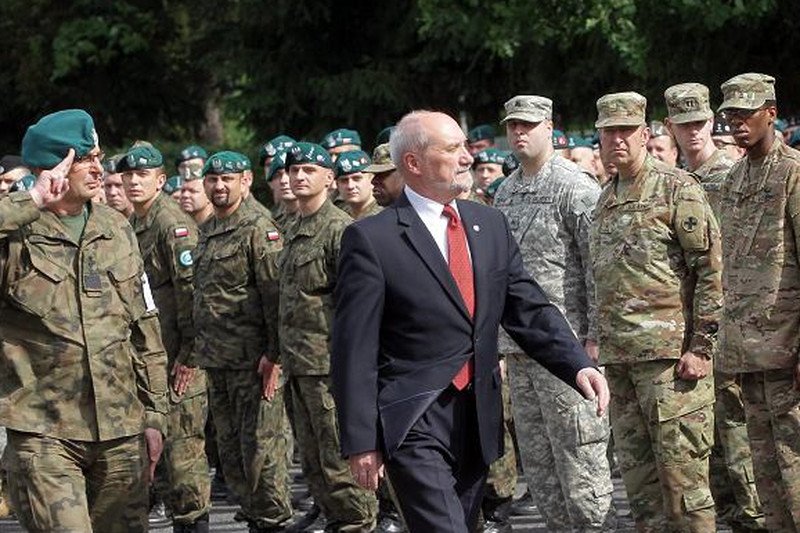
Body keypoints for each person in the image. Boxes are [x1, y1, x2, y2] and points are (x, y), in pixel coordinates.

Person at [331, 110, 608, 532]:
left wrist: (577, 363)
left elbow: (526, 306)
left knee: (463, 523)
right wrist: (360, 440)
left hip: (477, 413)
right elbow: (353, 349)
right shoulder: (372, 239)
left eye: (465, 146)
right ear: (413, 164)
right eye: (452, 148)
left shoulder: (488, 224)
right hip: (413, 416)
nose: (467, 158)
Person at [0, 109, 168, 532]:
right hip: (45, 434)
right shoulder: (19, 232)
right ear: (51, 166)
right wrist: (32, 200)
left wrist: (155, 415)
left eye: (98, 155)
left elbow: (143, 325)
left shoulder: (116, 228)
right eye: (83, 159)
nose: (99, 167)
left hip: (121, 431)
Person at [591, 92, 721, 532]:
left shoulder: (677, 187)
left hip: (671, 364)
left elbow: (711, 272)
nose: (618, 140)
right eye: (609, 132)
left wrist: (702, 347)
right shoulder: (604, 199)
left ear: (647, 134)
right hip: (621, 362)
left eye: (626, 130)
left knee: (685, 487)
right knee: (641, 491)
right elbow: (602, 280)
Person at [495, 95, 616, 532]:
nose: (519, 133)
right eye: (512, 126)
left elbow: (597, 266)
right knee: (542, 469)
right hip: (521, 349)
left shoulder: (574, 186)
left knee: (581, 465)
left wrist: (594, 337)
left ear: (549, 127)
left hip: (569, 350)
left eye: (528, 124)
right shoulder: (506, 190)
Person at [663, 82, 766, 531]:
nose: (694, 132)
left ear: (713, 121)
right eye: (683, 124)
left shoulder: (733, 176)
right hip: (688, 333)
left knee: (740, 447)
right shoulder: (671, 183)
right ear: (670, 127)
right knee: (706, 458)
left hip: (732, 332)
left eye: (701, 122)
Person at [275, 142, 378, 531]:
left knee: (339, 458)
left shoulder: (340, 230)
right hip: (298, 364)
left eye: (309, 170)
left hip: (330, 365)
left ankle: (356, 523)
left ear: (329, 180)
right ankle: (337, 520)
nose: (298, 177)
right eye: (293, 170)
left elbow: (358, 305)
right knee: (314, 460)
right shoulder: (291, 228)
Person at [192, 151, 292, 532]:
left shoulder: (258, 227)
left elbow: (274, 297)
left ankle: (272, 520)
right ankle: (254, 515)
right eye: (213, 180)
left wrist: (274, 357)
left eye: (227, 179)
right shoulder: (210, 228)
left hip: (254, 363)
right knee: (231, 453)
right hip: (217, 361)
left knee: (261, 451)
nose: (219, 186)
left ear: (246, 181)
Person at [717, 72, 800, 531]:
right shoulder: (734, 179)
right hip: (747, 349)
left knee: (794, 464)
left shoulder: (793, 173)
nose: (737, 124)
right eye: (730, 115)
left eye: (746, 114)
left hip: (786, 347)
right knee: (764, 469)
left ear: (771, 113)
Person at [118, 144, 211, 533]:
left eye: (144, 175)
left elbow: (194, 294)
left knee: (183, 454)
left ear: (160, 180)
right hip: (151, 359)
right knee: (161, 457)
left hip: (178, 359)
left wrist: (189, 355)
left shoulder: (171, 223)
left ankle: (194, 524)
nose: (134, 181)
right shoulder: (133, 223)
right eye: (129, 176)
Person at [334, 149, 382, 219]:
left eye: (357, 179)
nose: (350, 186)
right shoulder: (338, 215)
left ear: (372, 180)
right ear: (337, 185)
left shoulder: (384, 214)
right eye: (344, 180)